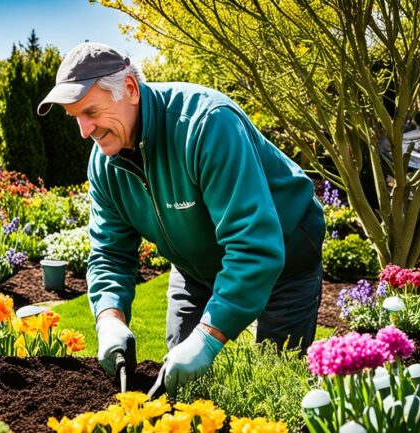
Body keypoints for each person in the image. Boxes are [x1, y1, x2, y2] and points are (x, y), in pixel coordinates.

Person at [38, 42, 325, 399]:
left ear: (129, 89)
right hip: (194, 267)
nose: (84, 131)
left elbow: (253, 246)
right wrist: (109, 317)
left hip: (285, 253)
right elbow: (110, 254)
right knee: (177, 386)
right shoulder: (104, 165)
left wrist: (208, 338)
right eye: (75, 117)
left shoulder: (206, 125)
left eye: (91, 111)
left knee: (276, 384)